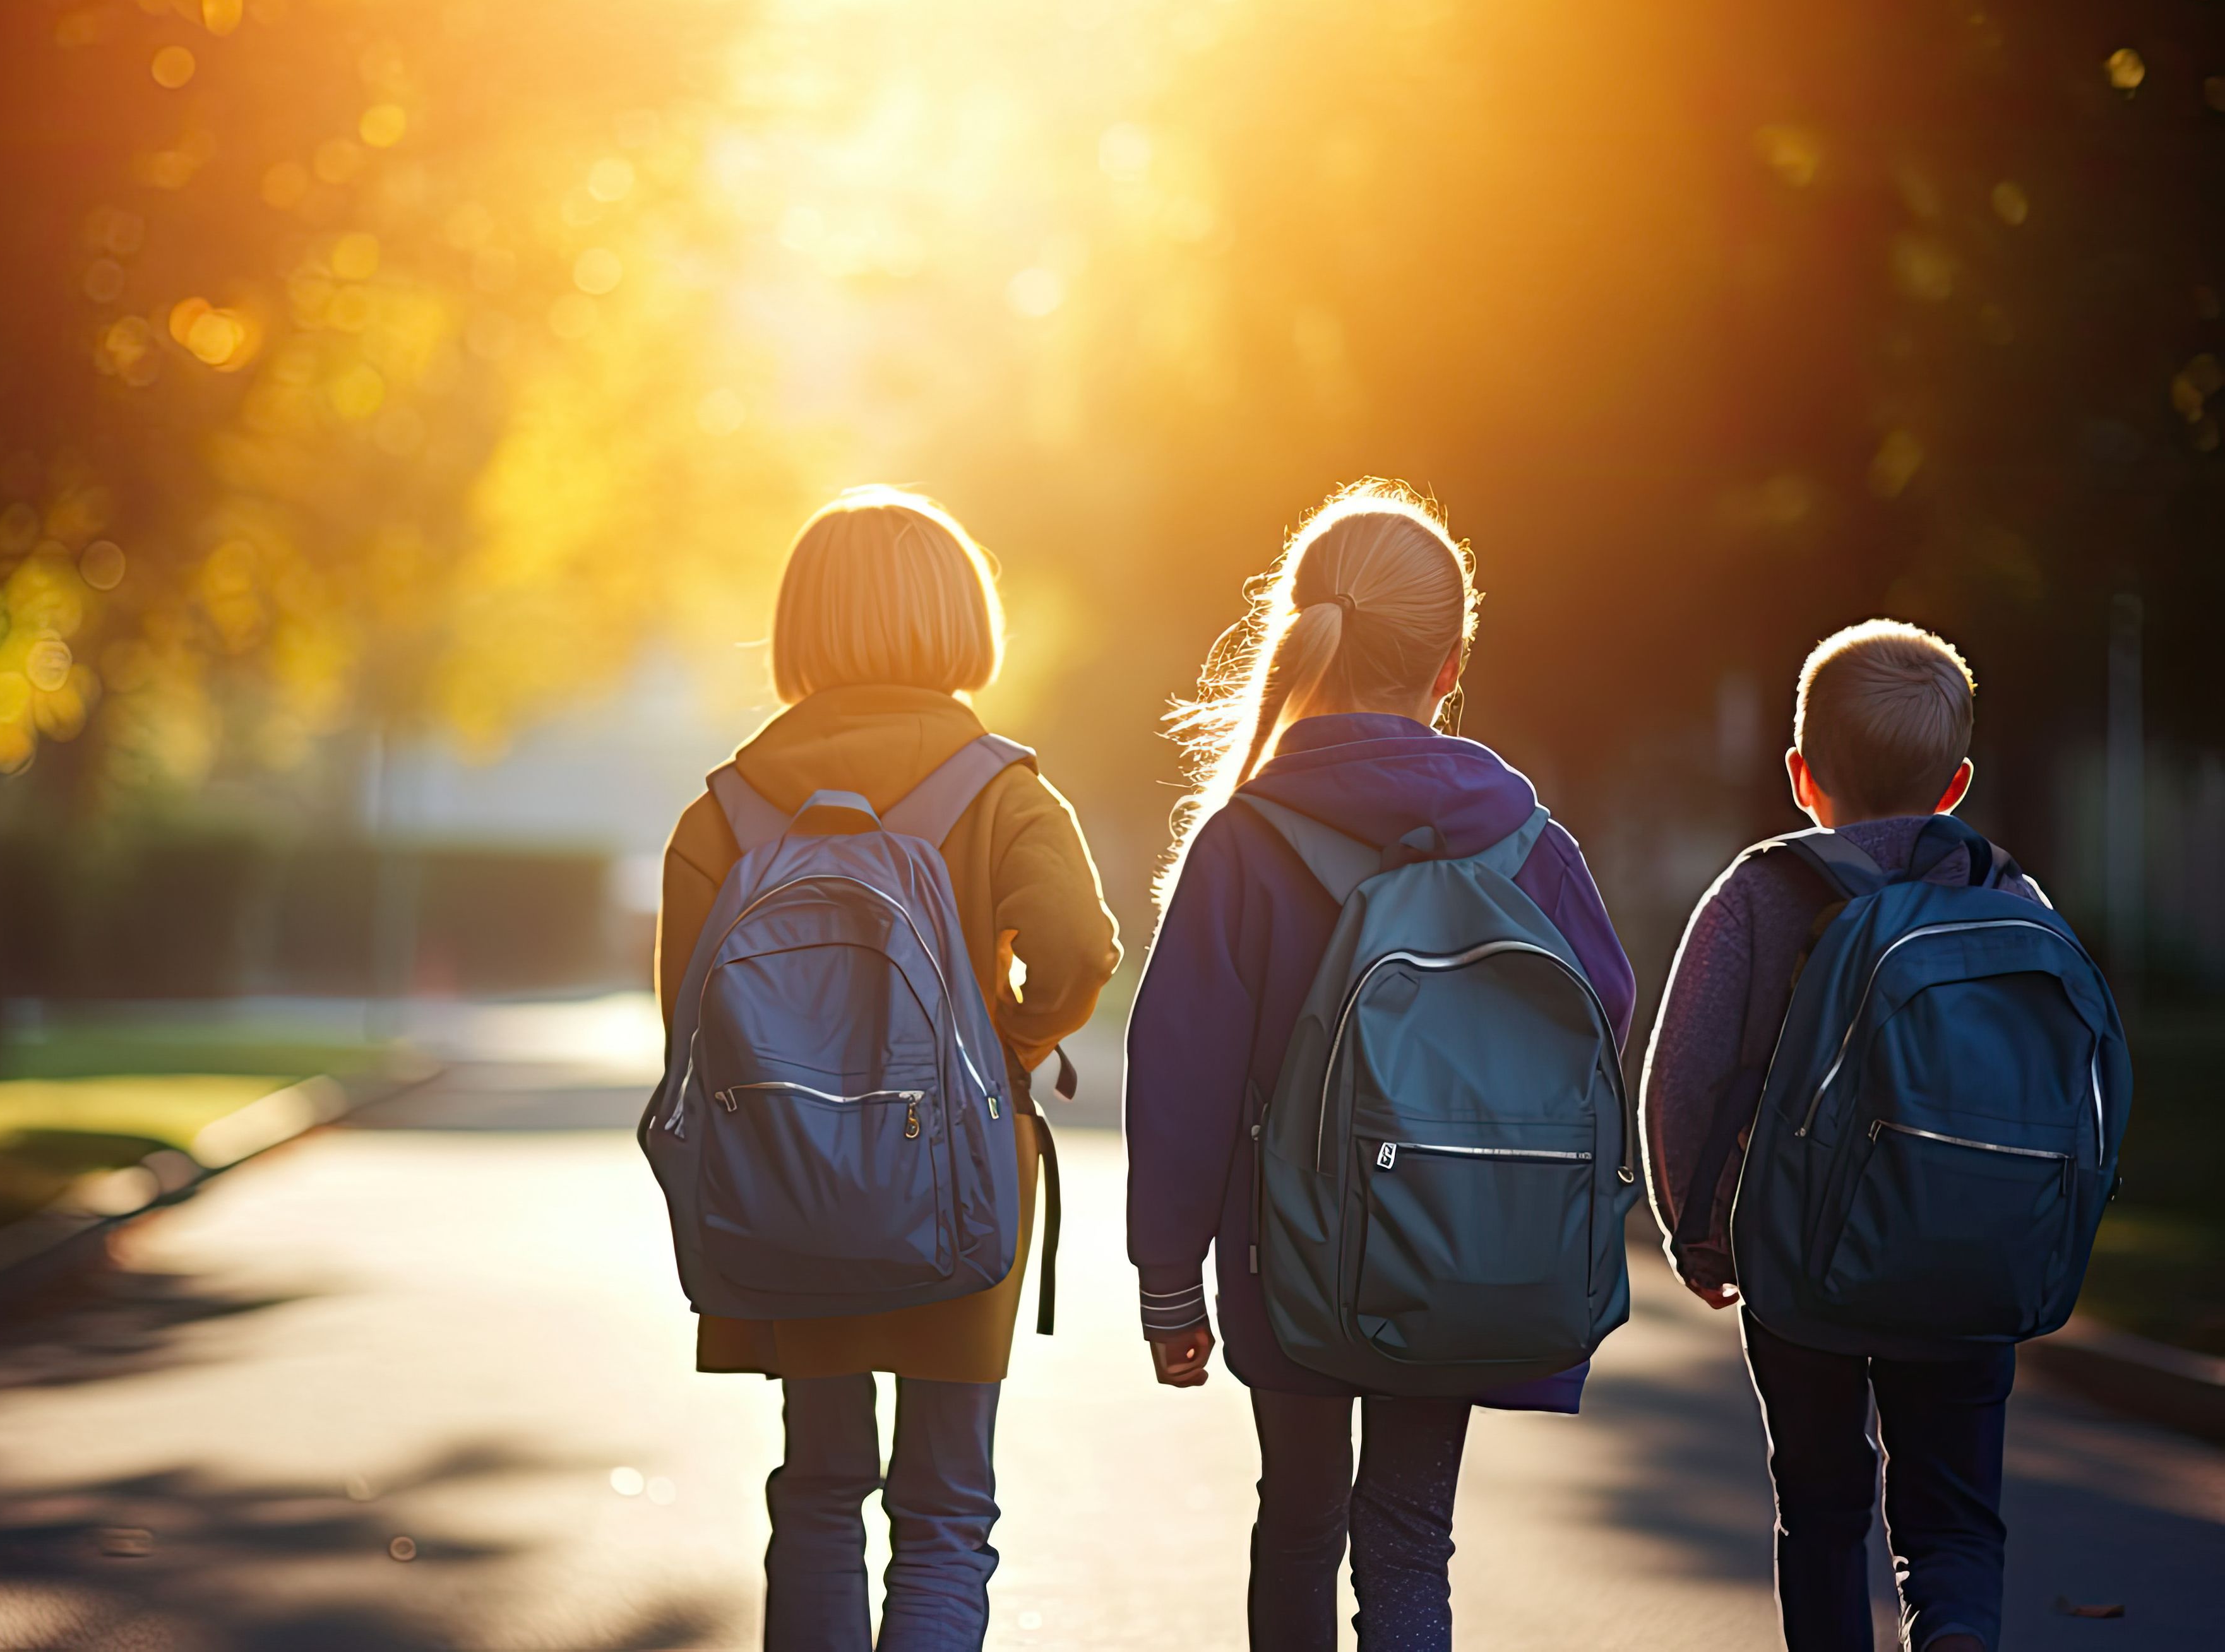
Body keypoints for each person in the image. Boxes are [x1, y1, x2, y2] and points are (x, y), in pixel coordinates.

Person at [1124, 481, 1635, 1651]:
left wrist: (1168, 1283)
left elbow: (1181, 1074)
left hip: (1283, 1258)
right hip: (1456, 1240)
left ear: (1304, 642)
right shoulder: (1525, 839)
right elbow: (1603, 1005)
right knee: (1409, 1537)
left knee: (1299, 1520)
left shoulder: (1247, 840)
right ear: (1450, 665)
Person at [656, 485, 1121, 1651]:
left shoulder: (722, 815)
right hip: (959, 1180)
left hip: (787, 1183)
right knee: (946, 1509)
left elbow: (688, 1033)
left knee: (817, 1487)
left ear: (800, 622)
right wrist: (1002, 1052)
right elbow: (1077, 952)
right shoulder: (1004, 791)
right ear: (963, 616)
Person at [1640, 619, 2043, 1652]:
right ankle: (1954, 1629)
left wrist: (1697, 1228)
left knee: (1819, 1509)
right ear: (1955, 785)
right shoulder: (2007, 897)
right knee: (1954, 1517)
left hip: (1798, 1262)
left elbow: (1683, 1073)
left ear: (1800, 775)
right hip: (1963, 1263)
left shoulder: (1759, 891)